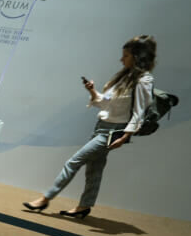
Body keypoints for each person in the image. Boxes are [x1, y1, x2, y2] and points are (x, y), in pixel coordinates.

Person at [23, 35, 157, 220]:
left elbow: (138, 112)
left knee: (73, 162)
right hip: (101, 127)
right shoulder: (123, 77)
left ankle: (45, 199)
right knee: (94, 168)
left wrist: (125, 137)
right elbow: (106, 103)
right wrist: (92, 90)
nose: (121, 59)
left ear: (137, 57)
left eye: (125, 56)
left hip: (113, 132)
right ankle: (84, 206)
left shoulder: (143, 80)